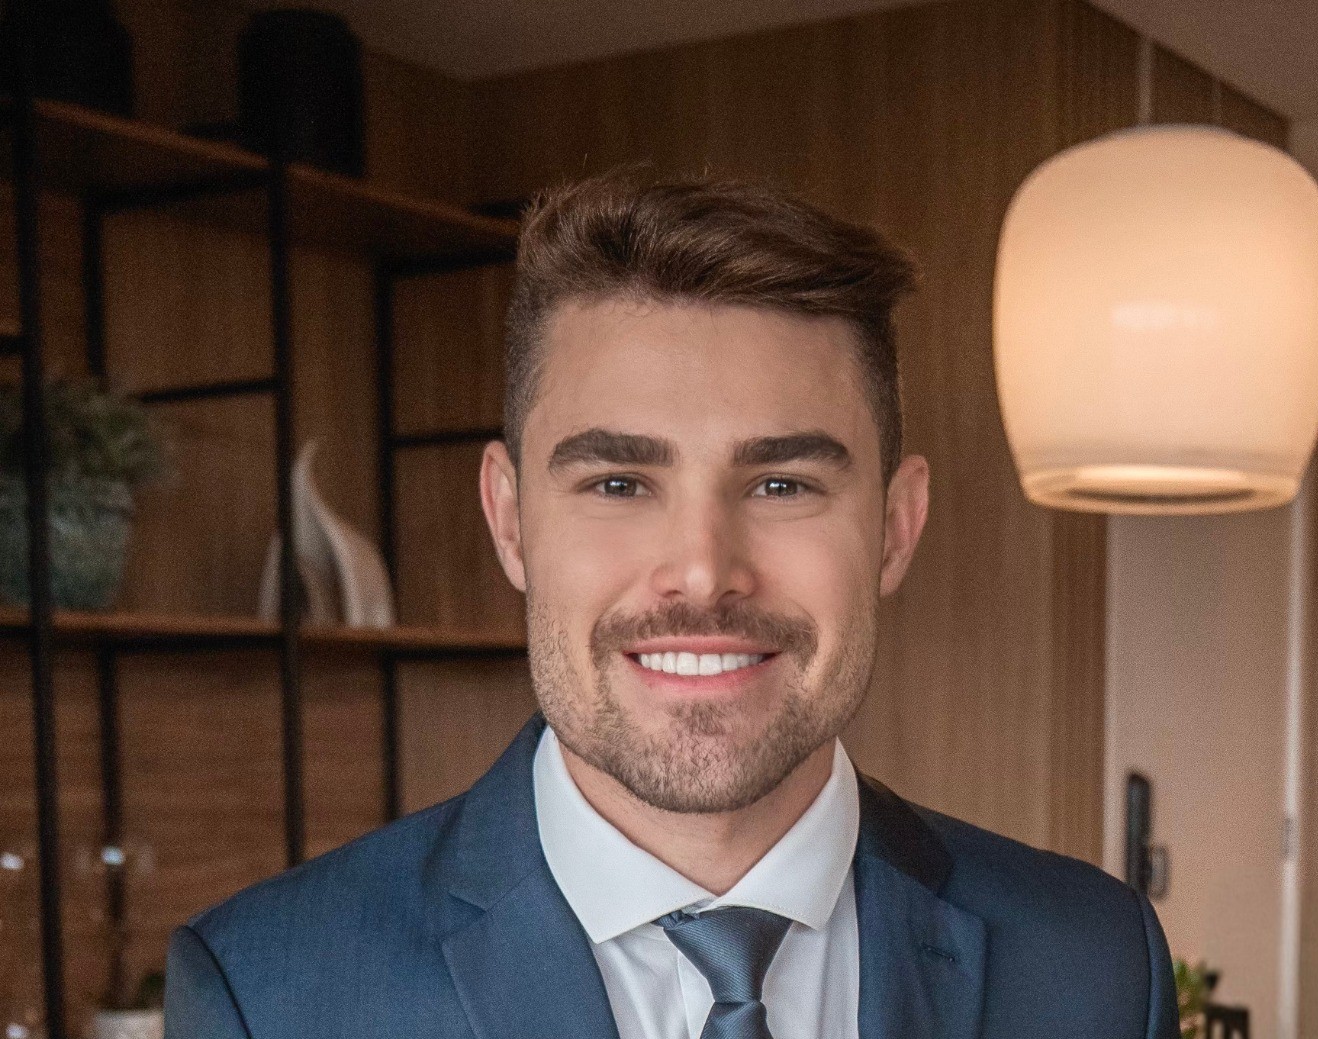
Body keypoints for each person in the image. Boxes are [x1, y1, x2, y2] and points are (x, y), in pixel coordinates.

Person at [163, 174, 1180, 1039]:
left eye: (781, 483)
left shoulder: (1096, 965)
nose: (701, 571)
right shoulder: (269, 994)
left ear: (895, 526)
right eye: (617, 483)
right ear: (509, 520)